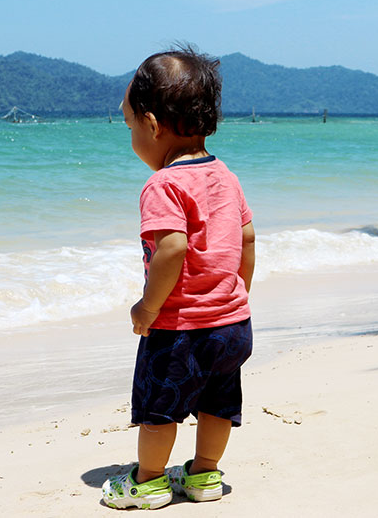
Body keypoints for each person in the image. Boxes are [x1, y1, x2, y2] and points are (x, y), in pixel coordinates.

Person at [102, 46, 256, 510]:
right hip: (231, 325)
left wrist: (148, 307)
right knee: (218, 405)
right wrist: (236, 290)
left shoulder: (163, 185)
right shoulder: (224, 176)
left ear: (151, 125)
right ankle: (204, 475)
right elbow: (246, 238)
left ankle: (148, 481)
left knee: (159, 411)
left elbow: (170, 248)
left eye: (129, 124)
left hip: (179, 330)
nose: (131, 133)